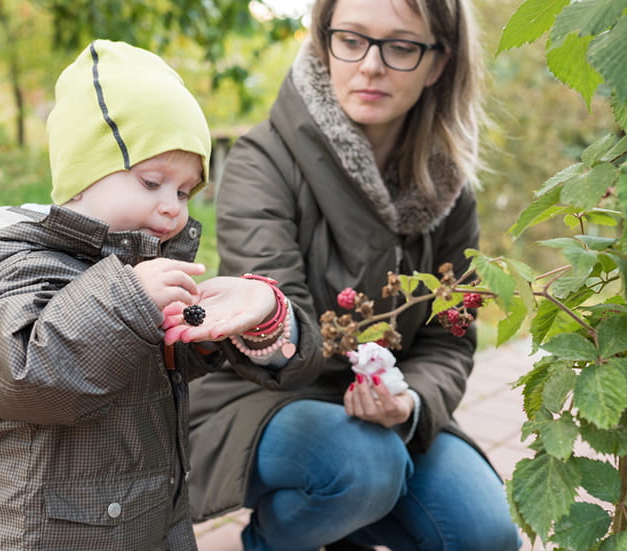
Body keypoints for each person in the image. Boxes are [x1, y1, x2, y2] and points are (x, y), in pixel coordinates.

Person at [0, 39, 321, 550]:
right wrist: (130, 302)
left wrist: (253, 319)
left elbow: (175, 354)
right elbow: (25, 374)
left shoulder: (132, 274)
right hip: (37, 534)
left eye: (184, 191)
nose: (172, 207)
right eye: (152, 181)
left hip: (143, 521)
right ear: (82, 177)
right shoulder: (13, 267)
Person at [178, 0, 523, 549]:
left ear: (438, 63)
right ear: (323, 42)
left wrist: (409, 403)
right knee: (363, 468)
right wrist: (270, 319)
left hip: (387, 410)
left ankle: (344, 520)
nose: (370, 65)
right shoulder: (261, 161)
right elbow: (276, 325)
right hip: (267, 395)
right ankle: (277, 539)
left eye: (401, 46)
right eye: (352, 39)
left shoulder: (450, 190)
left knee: (485, 535)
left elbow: (449, 342)